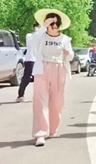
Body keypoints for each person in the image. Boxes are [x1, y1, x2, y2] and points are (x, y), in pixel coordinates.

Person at [30, 9, 74, 147]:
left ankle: (52, 129)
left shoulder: (65, 39)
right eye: (51, 24)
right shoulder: (41, 36)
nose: (54, 27)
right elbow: (32, 43)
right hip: (42, 68)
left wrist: (68, 53)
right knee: (40, 101)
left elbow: (71, 56)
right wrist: (43, 27)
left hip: (59, 68)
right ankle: (41, 133)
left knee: (57, 102)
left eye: (56, 24)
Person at [16, 22, 40, 102]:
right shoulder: (29, 35)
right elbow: (31, 43)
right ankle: (20, 95)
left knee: (39, 79)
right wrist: (37, 33)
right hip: (30, 59)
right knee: (26, 77)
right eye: (38, 27)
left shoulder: (42, 37)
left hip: (39, 60)